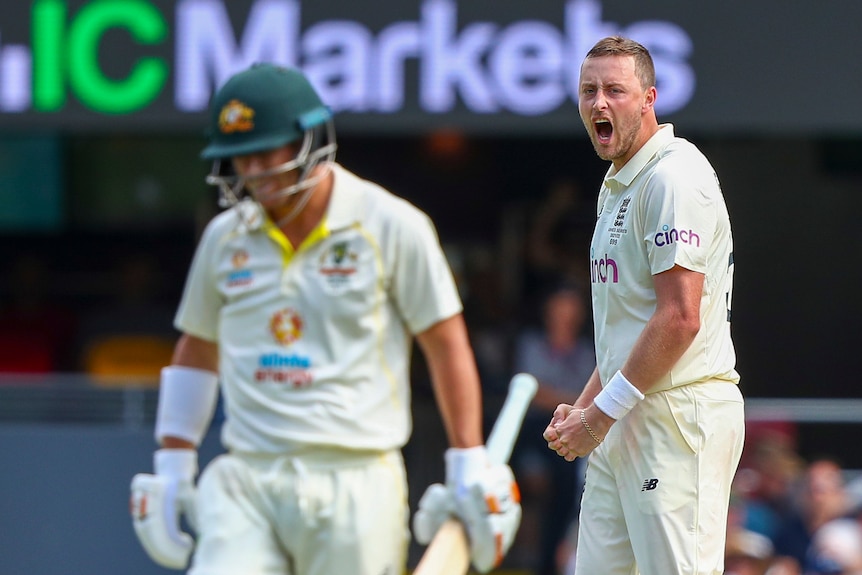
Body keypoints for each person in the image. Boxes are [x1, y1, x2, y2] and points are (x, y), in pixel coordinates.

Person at [128, 63, 520, 575]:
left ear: (308, 141)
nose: (254, 172)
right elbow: (197, 348)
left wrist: (466, 459)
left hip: (355, 475)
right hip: (248, 471)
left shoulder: (391, 223)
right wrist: (173, 464)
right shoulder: (225, 238)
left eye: (267, 152)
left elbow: (445, 343)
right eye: (240, 157)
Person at [543, 36, 744, 575]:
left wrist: (597, 417)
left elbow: (680, 318)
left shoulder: (673, 177)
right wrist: (588, 411)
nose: (599, 104)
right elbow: (627, 329)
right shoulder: (619, 182)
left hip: (677, 418)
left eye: (615, 90)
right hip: (625, 419)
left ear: (649, 98)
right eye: (589, 91)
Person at [512, 282, 595, 575]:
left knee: (571, 485)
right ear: (548, 313)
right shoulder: (531, 344)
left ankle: (555, 562)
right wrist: (578, 401)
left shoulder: (587, 352)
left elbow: (592, 397)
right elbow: (533, 391)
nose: (565, 317)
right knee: (536, 478)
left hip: (574, 434)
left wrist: (572, 402)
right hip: (536, 433)